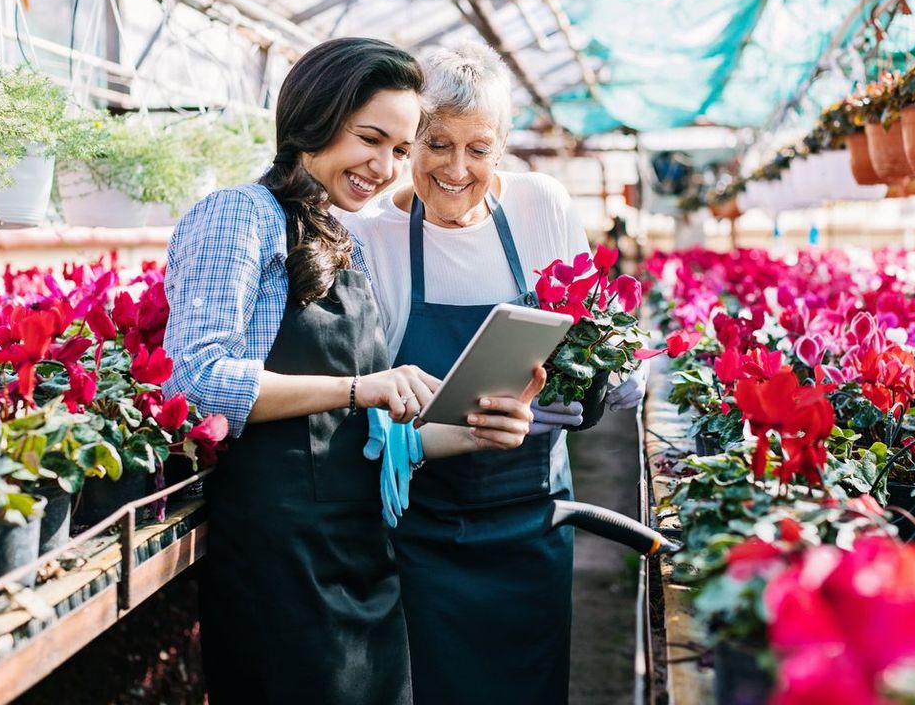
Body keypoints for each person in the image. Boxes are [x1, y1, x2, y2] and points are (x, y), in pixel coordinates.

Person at [162, 37, 542, 704]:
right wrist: (358, 386)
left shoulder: (342, 239)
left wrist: (475, 431)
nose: (385, 167)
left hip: (362, 553)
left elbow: (363, 440)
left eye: (399, 150)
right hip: (281, 561)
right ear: (315, 117)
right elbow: (196, 379)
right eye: (372, 138)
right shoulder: (241, 215)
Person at [343, 41, 647, 705]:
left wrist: (596, 389)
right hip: (421, 528)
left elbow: (598, 339)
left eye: (478, 149)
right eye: (436, 144)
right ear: (407, 146)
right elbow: (358, 393)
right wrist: (414, 431)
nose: (456, 168)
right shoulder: (369, 236)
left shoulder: (543, 207)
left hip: (532, 518)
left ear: (503, 148)